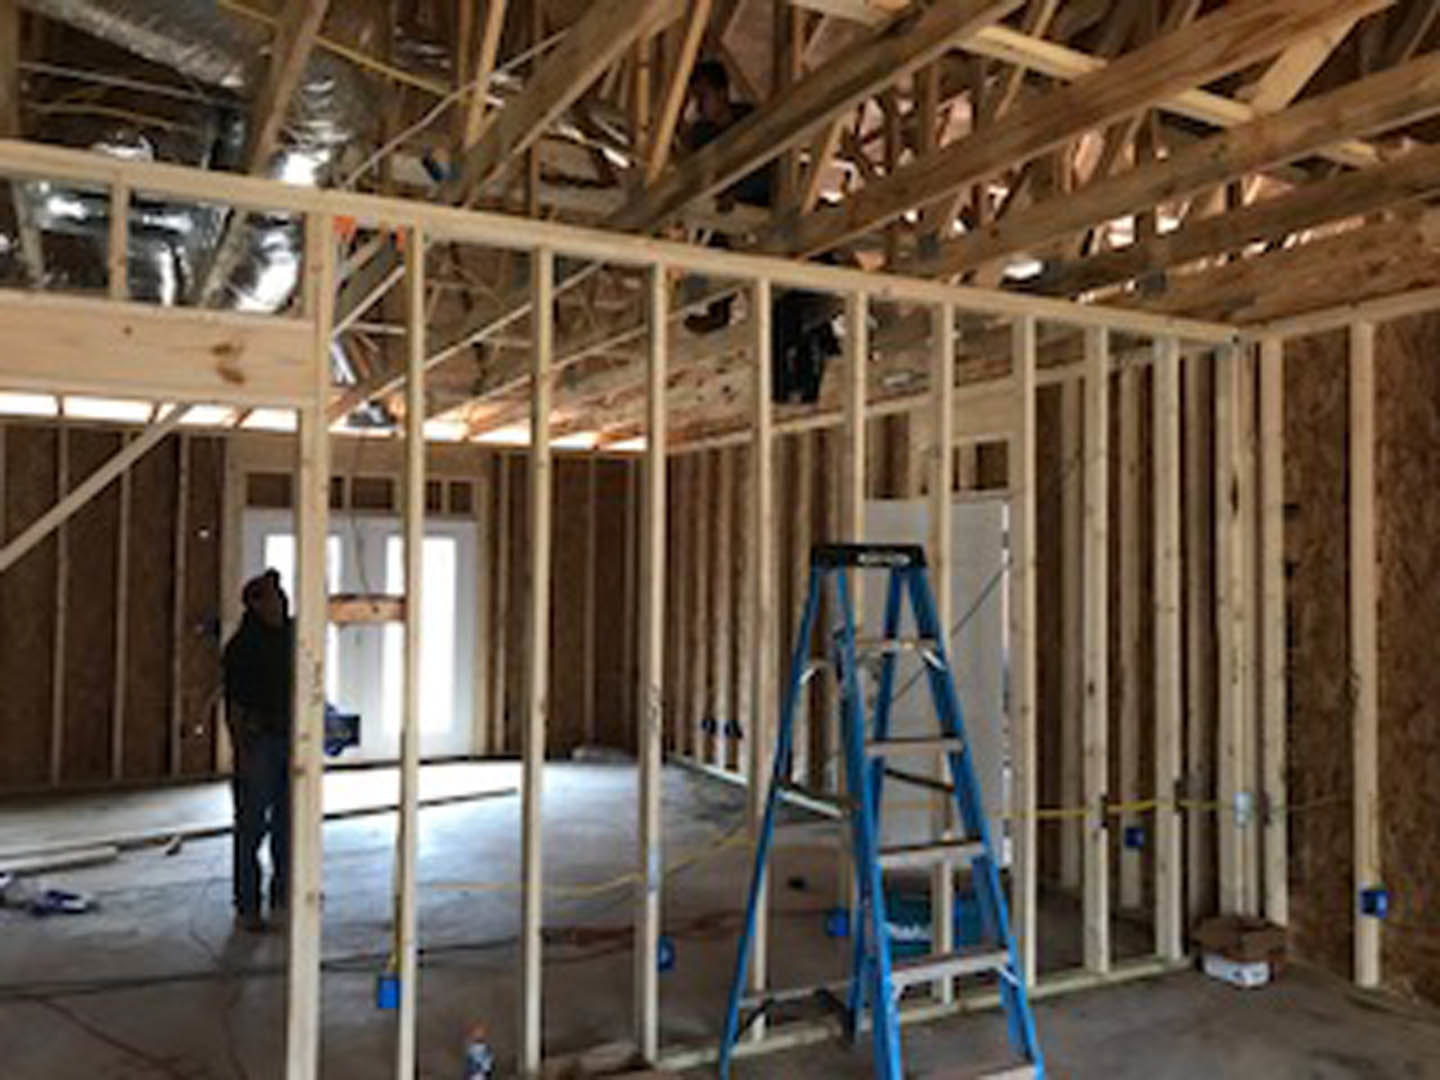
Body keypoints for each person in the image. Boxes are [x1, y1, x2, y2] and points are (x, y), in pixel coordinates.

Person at [682, 59, 840, 404]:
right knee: (714, 240)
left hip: (768, 199)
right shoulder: (700, 135)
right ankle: (718, 308)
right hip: (730, 210)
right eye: (694, 98)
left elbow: (774, 165)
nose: (699, 106)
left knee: (809, 248)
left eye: (703, 96)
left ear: (723, 92)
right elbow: (695, 174)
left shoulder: (751, 121)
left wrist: (735, 193)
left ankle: (827, 304)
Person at [222, 569, 294, 932]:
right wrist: (242, 752)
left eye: (282, 596)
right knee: (252, 826)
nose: (281, 602)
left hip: (292, 739)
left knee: (289, 823)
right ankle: (248, 904)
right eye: (272, 597)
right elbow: (234, 707)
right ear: (254, 604)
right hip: (258, 742)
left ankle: (285, 894)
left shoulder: (294, 635)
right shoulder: (242, 647)